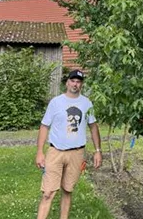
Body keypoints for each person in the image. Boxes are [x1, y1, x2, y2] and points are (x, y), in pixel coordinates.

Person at [35, 69, 102, 219]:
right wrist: (40, 152)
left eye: (78, 82)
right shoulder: (56, 102)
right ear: (67, 83)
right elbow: (44, 126)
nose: (75, 84)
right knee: (48, 193)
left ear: (81, 85)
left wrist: (98, 150)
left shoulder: (87, 103)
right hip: (55, 152)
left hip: (77, 153)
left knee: (67, 189)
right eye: (73, 81)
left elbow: (93, 126)